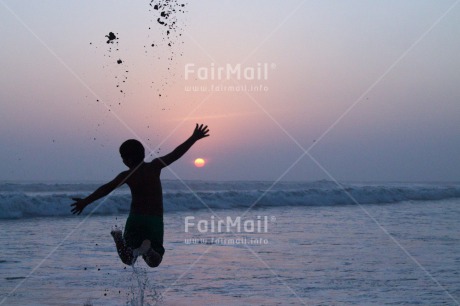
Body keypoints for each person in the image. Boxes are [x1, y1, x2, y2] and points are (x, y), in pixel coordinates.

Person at [71, 124, 210, 267]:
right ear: (143, 154)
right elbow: (175, 154)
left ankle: (119, 238)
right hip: (154, 220)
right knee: (154, 261)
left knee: (128, 259)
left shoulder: (127, 175)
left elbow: (106, 189)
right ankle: (148, 249)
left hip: (135, 219)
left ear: (127, 160)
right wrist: (193, 138)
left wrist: (85, 201)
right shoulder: (154, 166)